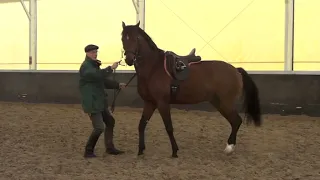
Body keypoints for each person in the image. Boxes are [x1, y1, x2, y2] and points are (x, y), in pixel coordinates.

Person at [79, 44, 126, 158]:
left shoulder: (94, 66)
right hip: (93, 102)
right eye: (92, 52)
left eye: (96, 52)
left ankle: (109, 148)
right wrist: (111, 68)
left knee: (110, 121)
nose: (95, 54)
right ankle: (88, 151)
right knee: (99, 127)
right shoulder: (86, 67)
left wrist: (117, 85)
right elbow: (97, 76)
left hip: (99, 101)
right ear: (87, 53)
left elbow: (102, 81)